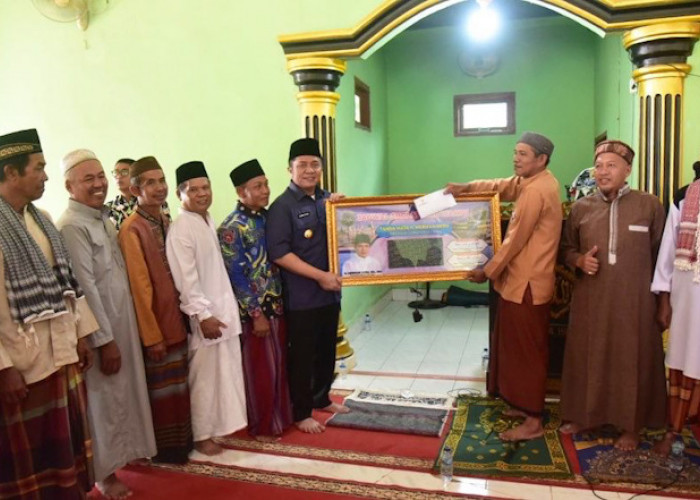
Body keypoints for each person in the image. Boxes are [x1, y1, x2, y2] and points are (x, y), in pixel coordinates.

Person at [0, 129, 99, 498]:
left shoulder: (40, 218)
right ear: (11, 173)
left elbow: (66, 284)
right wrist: (4, 368)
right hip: (23, 367)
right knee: (28, 467)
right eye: (38, 168)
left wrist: (81, 335)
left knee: (63, 455)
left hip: (59, 354)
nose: (45, 176)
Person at [444, 131, 561, 441]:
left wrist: (487, 270)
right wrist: (466, 188)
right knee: (514, 347)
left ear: (541, 159)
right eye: (515, 152)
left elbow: (513, 242)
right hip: (517, 283)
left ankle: (533, 420)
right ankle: (524, 405)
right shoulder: (531, 181)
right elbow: (501, 186)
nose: (516, 158)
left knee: (528, 352)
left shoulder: (538, 191)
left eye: (523, 154)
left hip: (528, 284)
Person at [57, 149, 156, 499]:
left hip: (122, 323)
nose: (99, 184)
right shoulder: (71, 225)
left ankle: (126, 453)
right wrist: (104, 340)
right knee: (103, 404)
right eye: (89, 179)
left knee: (123, 396)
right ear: (69, 185)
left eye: (101, 176)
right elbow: (84, 287)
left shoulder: (103, 219)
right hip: (104, 331)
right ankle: (105, 475)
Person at [559, 140, 666, 450]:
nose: (603, 172)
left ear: (628, 170)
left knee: (631, 361)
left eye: (611, 166)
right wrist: (579, 260)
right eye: (599, 166)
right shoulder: (581, 208)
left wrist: (663, 303)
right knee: (587, 356)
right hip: (592, 301)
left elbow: (662, 257)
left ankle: (631, 427)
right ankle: (584, 416)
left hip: (636, 304)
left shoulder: (649, 206)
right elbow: (566, 249)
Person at [266, 138, 348, 434]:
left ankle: (321, 398)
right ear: (290, 169)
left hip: (330, 293)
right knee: (301, 357)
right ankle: (301, 412)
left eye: (315, 164)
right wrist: (319, 276)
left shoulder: (329, 200)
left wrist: (346, 211)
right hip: (302, 298)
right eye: (302, 165)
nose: (309, 170)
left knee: (327, 350)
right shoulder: (282, 207)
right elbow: (280, 254)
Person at [166, 161, 247, 456]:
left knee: (222, 377)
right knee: (203, 381)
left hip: (221, 313)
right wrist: (203, 315)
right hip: (206, 319)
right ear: (180, 194)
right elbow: (185, 279)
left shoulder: (206, 220)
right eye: (194, 189)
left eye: (206, 187)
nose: (202, 194)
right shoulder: (181, 229)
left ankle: (216, 428)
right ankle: (201, 435)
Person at [117, 156, 193, 463]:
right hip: (158, 327)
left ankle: (183, 445)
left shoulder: (164, 220)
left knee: (179, 387)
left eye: (162, 181)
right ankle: (167, 451)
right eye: (151, 182)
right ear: (135, 189)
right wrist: (152, 336)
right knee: (163, 393)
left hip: (176, 320)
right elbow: (139, 287)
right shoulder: (132, 229)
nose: (159, 187)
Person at [218, 159, 293, 442]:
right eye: (257, 186)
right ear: (241, 192)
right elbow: (236, 275)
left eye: (266, 184)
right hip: (256, 312)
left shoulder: (266, 217)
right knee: (260, 370)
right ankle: (261, 426)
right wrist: (255, 313)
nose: (265, 190)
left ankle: (280, 418)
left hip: (277, 305)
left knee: (279, 366)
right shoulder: (231, 227)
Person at [652, 173, 700, 455]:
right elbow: (667, 253)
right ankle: (673, 431)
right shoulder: (685, 196)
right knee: (683, 361)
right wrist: (663, 300)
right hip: (688, 299)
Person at [107, 157, 170, 229]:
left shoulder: (153, 202)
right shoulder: (108, 208)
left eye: (124, 172)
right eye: (116, 172)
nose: (118, 176)